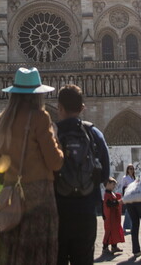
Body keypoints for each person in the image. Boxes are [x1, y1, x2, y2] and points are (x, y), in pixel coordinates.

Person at [0, 67, 64, 265]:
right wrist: (57, 143)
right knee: (37, 253)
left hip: (11, 197)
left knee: (13, 252)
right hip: (38, 197)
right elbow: (55, 162)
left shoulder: (0, 122)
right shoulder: (40, 117)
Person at [55, 84, 110, 265]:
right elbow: (104, 175)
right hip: (86, 210)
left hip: (57, 210)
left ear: (59, 107)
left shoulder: (51, 134)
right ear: (82, 108)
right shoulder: (94, 134)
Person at [102, 177, 124, 253]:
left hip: (113, 216)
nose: (114, 186)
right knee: (109, 232)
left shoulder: (111, 193)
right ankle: (105, 247)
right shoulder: (107, 194)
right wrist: (118, 202)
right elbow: (109, 204)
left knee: (115, 231)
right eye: (113, 184)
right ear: (107, 184)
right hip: (110, 217)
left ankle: (114, 246)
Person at [120, 164, 135, 232]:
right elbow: (123, 187)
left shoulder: (134, 178)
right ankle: (126, 226)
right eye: (130, 169)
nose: (131, 170)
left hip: (134, 196)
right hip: (128, 196)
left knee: (132, 211)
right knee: (128, 211)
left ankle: (131, 226)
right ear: (127, 170)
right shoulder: (125, 178)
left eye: (132, 169)